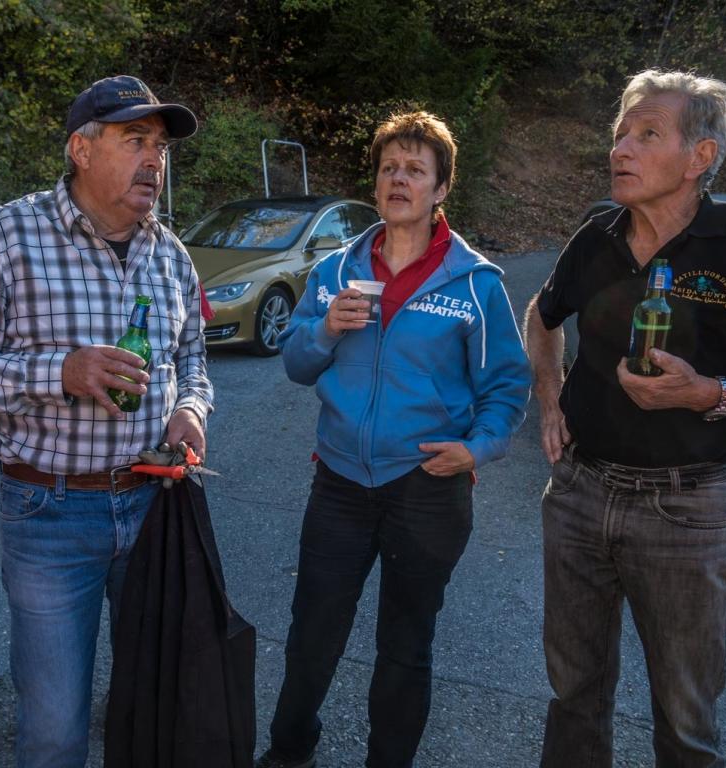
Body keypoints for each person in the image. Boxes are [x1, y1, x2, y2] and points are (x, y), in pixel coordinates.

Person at [0, 75, 213, 767]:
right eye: (135, 141)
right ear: (81, 150)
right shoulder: (7, 235)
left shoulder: (169, 252)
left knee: (156, 702)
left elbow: (194, 357)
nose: (154, 161)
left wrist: (190, 408)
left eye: (161, 147)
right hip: (48, 511)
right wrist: (58, 373)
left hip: (154, 503)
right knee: (54, 727)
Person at [524, 69, 726, 768]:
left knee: (685, 720)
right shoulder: (597, 236)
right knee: (573, 696)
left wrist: (709, 393)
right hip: (579, 491)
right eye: (620, 132)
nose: (619, 149)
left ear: (698, 157)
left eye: (646, 134)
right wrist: (550, 396)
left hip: (687, 508)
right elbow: (542, 312)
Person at [256, 111, 530, 768]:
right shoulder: (336, 270)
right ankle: (289, 752)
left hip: (427, 486)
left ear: (441, 189)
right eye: (388, 169)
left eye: (414, 169)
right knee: (312, 631)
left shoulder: (475, 283)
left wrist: (477, 449)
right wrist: (325, 328)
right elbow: (296, 365)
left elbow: (507, 385)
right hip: (341, 482)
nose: (398, 180)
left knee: (406, 646)